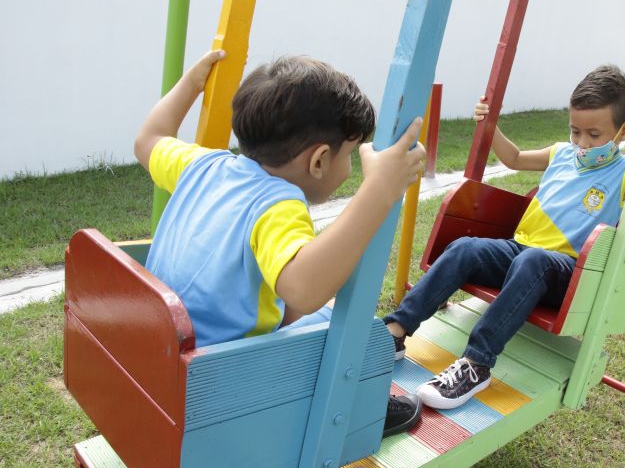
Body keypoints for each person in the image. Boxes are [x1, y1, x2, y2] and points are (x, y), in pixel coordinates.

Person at [133, 50, 425, 437]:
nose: (350, 168)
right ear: (319, 160)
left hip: (164, 355)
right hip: (214, 381)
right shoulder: (277, 204)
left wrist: (191, 83)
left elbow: (148, 139)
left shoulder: (202, 165)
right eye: (349, 155)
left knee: (295, 310)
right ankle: (359, 411)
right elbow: (305, 290)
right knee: (357, 329)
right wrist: (379, 189)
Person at [384, 65, 625, 410]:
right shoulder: (561, 153)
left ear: (624, 131)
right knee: (465, 248)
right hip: (521, 252)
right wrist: (490, 125)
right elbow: (513, 158)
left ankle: (476, 364)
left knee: (533, 261)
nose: (582, 143)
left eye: (594, 134)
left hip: (566, 271)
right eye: (575, 131)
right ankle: (395, 332)